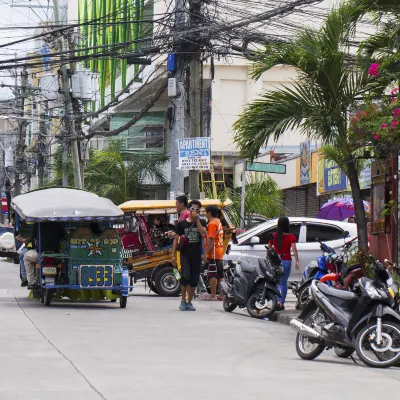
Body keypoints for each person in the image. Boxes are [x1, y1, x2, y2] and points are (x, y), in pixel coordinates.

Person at [172, 200, 207, 311]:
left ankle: (189, 302)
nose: (194, 211)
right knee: (185, 277)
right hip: (185, 254)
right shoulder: (182, 224)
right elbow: (176, 239)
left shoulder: (202, 222)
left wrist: (197, 221)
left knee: (194, 279)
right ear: (189, 209)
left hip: (196, 255)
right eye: (192, 209)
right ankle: (183, 300)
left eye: (197, 209)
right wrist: (173, 255)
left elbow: (204, 234)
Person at [268, 217, 299, 311]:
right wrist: (297, 261)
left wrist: (268, 259)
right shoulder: (291, 237)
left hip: (276, 261)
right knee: (284, 283)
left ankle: (276, 302)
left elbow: (269, 248)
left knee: (277, 282)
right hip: (286, 260)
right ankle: (281, 303)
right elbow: (294, 250)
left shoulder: (273, 235)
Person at [202, 205, 224, 301]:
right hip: (218, 251)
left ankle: (213, 295)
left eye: (206, 212)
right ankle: (222, 294)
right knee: (220, 275)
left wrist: (206, 253)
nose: (205, 214)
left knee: (212, 274)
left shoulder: (211, 223)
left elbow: (210, 239)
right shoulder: (218, 221)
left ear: (209, 212)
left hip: (213, 252)